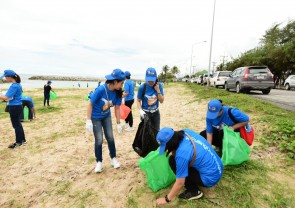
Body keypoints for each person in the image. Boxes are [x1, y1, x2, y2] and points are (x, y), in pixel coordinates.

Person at [155, 127, 223, 205]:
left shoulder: (181, 155)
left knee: (172, 161)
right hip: (218, 167)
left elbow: (180, 183)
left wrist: (166, 199)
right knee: (177, 159)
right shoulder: (186, 131)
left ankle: (194, 192)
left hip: (210, 179)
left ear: (170, 144)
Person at [86, 69, 125, 173]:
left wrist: (118, 123)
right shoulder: (100, 90)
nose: (122, 85)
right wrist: (88, 120)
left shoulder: (117, 93)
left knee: (110, 137)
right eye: (121, 83)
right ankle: (99, 162)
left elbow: (117, 108)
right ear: (115, 82)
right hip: (96, 117)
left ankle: (113, 159)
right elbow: (90, 104)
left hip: (106, 116)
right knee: (99, 139)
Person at [0, 69, 26, 148]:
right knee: (18, 124)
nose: (5, 79)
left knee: (16, 125)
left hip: (14, 107)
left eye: (5, 77)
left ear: (10, 77)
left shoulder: (14, 86)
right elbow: (9, 96)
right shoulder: (17, 84)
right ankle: (23, 140)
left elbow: (6, 97)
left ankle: (18, 142)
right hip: (17, 106)